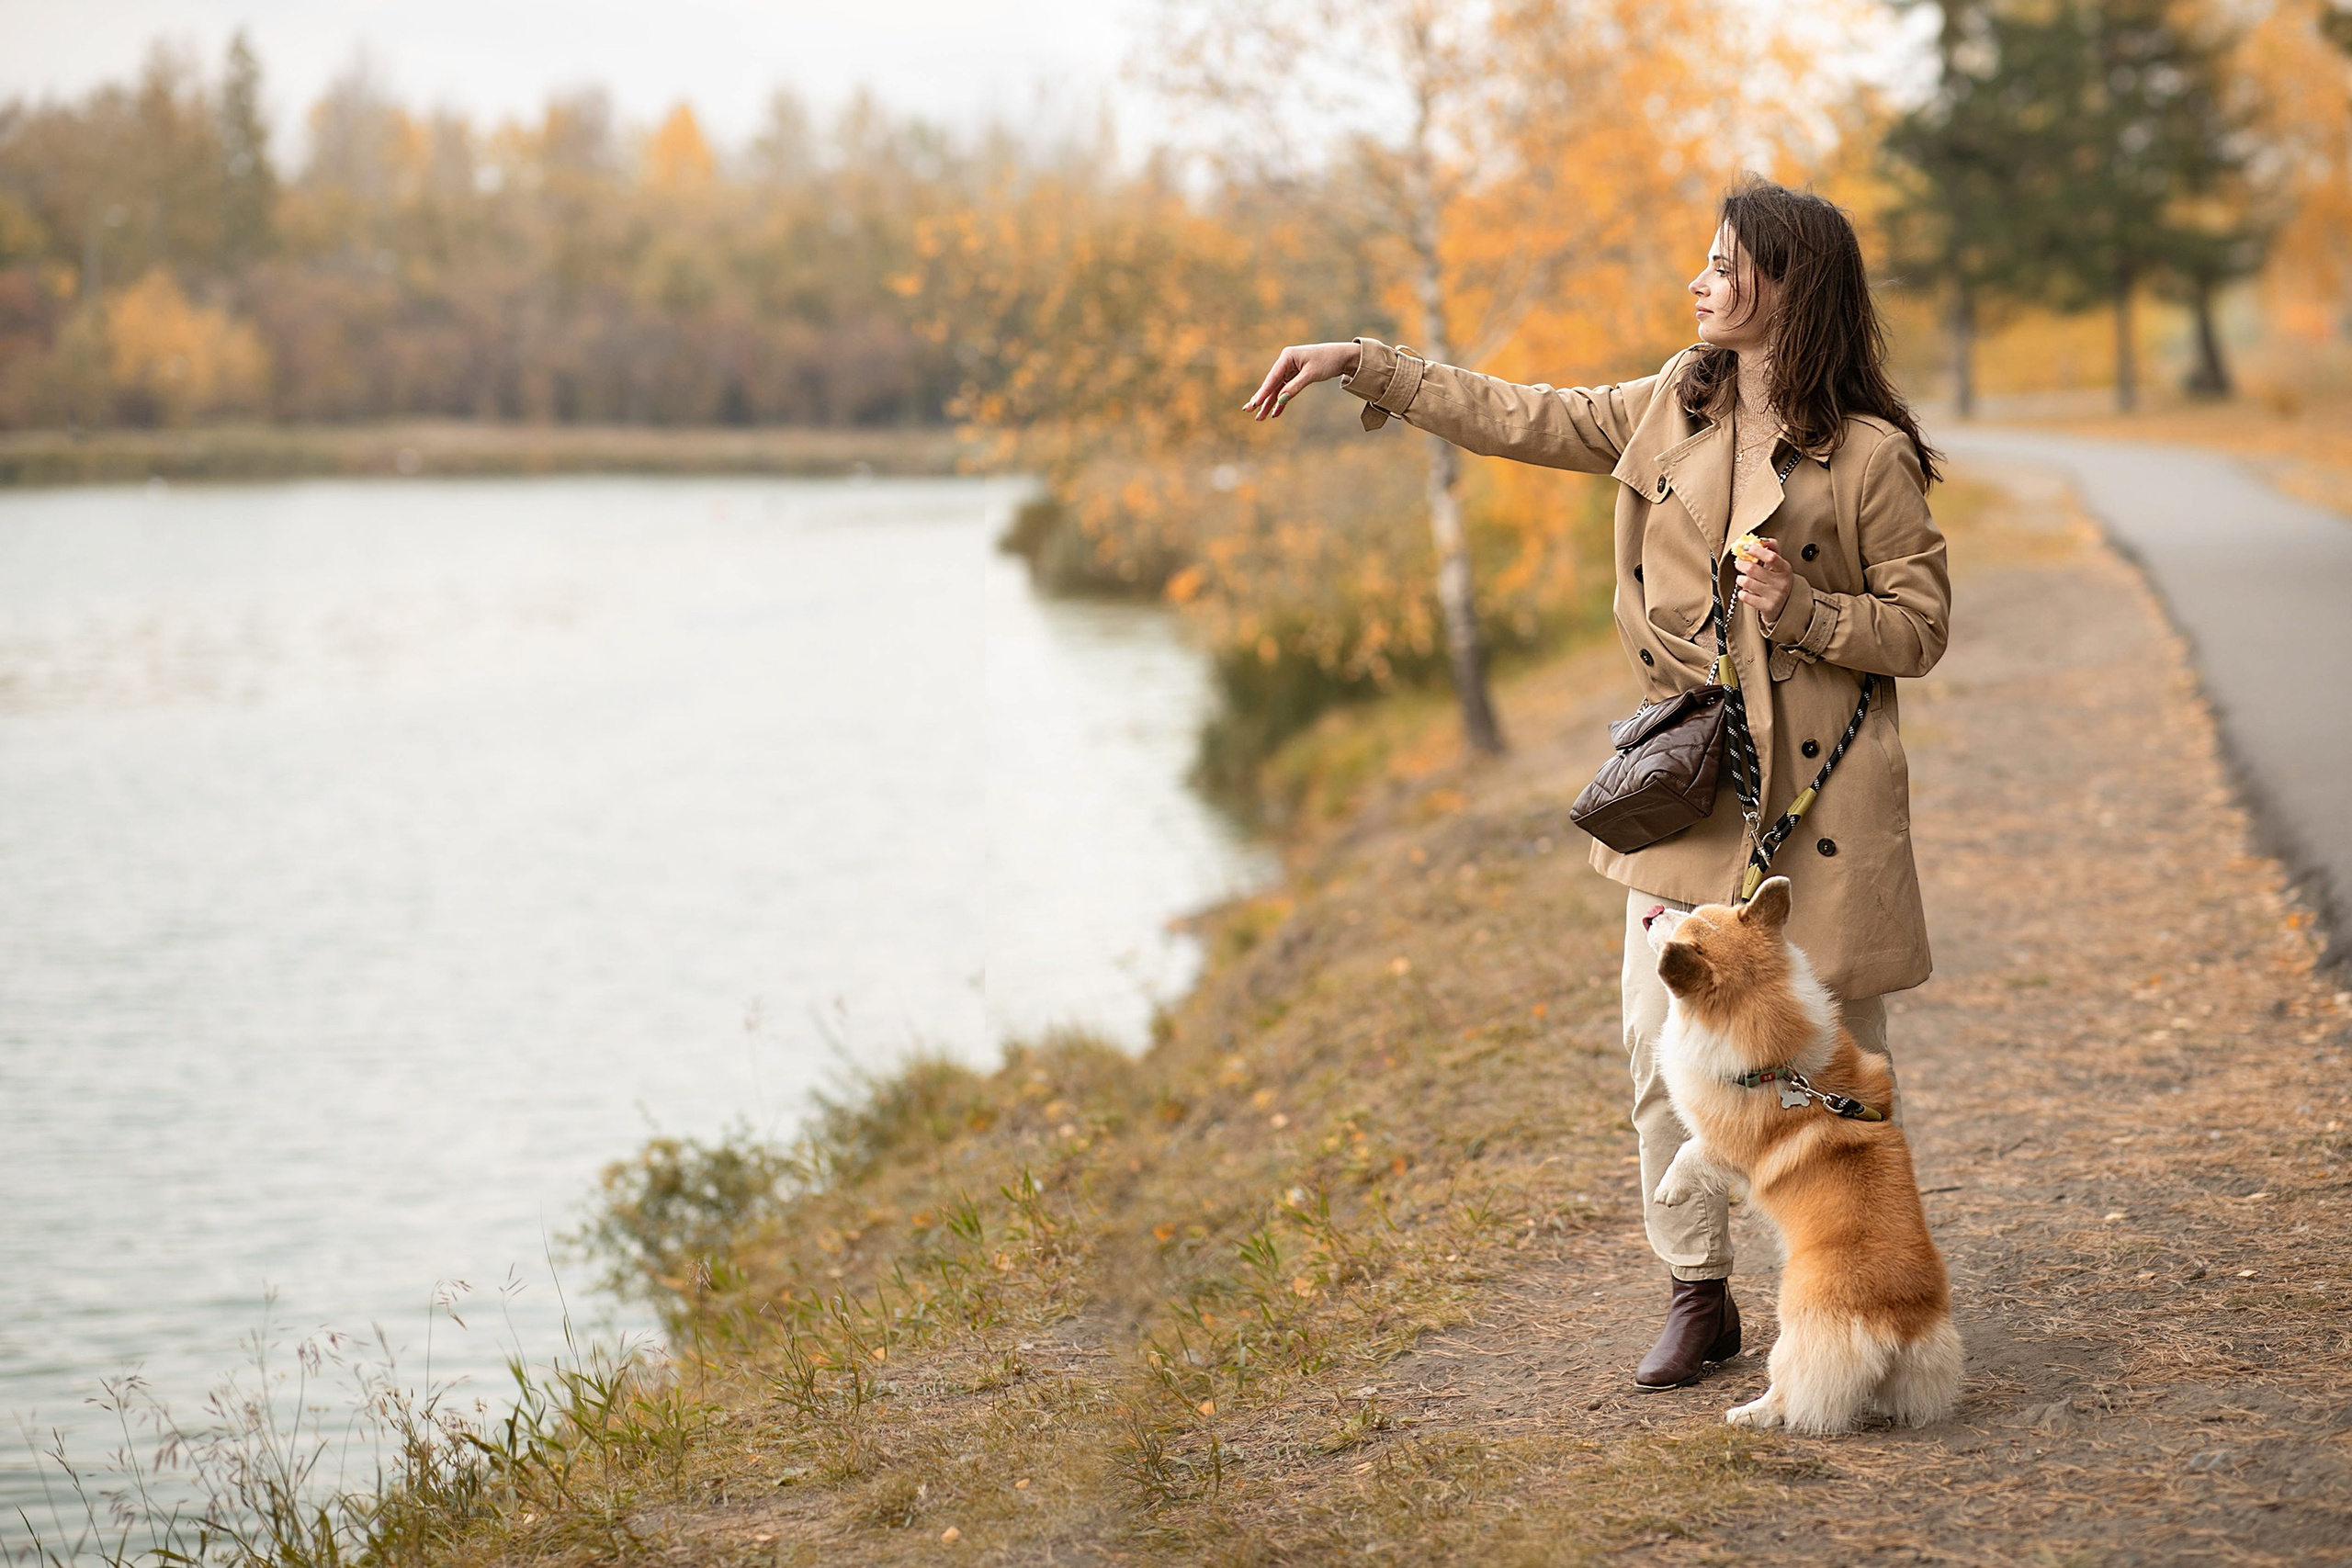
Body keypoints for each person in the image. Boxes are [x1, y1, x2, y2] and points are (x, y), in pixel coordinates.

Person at [1241, 177, 1951, 1391]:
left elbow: (1923, 628)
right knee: (1654, 1045)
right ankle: (1698, 1292)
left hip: (1819, 806)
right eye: (1705, 260)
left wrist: (1809, 609)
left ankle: (1847, 1303)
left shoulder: (1870, 456)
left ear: (1787, 287)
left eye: (1724, 264)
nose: (1699, 281)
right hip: (1691, 788)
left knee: (1832, 1067)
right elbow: (1522, 413)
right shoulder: (1671, 403)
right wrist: (1364, 362)